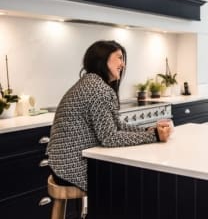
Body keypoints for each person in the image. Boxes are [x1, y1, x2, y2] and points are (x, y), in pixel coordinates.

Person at [47, 40, 172, 192]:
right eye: (119, 57)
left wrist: (148, 131)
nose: (123, 64)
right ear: (102, 58)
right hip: (73, 169)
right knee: (134, 179)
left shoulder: (91, 83)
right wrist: (155, 136)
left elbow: (116, 126)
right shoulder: (98, 89)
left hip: (62, 165)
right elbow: (110, 138)